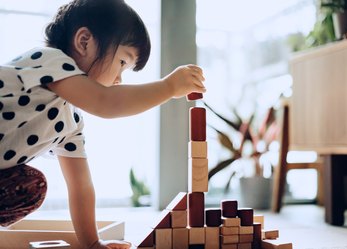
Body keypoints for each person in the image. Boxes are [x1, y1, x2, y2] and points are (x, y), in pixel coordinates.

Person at [0, 0, 205, 248]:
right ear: (84, 41)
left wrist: (93, 244)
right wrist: (169, 87)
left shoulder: (70, 124)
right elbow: (107, 103)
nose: (119, 79)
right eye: (122, 63)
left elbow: (81, 187)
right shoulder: (48, 60)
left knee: (32, 186)